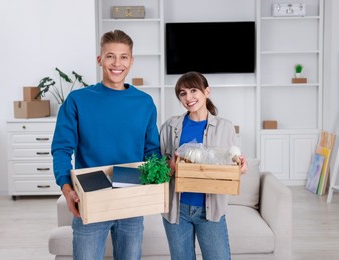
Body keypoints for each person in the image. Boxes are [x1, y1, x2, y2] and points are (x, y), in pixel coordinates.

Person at [51, 29, 160, 260]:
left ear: (131, 61)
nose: (116, 63)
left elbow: (152, 150)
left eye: (123, 56)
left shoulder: (145, 103)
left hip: (132, 196)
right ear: (100, 59)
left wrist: (157, 180)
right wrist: (66, 188)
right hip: (91, 196)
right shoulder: (78, 100)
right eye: (110, 56)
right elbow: (62, 148)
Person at [159, 71, 247, 260]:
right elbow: (159, 165)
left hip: (211, 210)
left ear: (207, 91)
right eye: (182, 93)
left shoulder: (225, 127)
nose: (188, 98)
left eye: (193, 90)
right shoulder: (170, 126)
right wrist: (171, 166)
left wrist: (240, 166)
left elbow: (231, 160)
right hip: (176, 210)